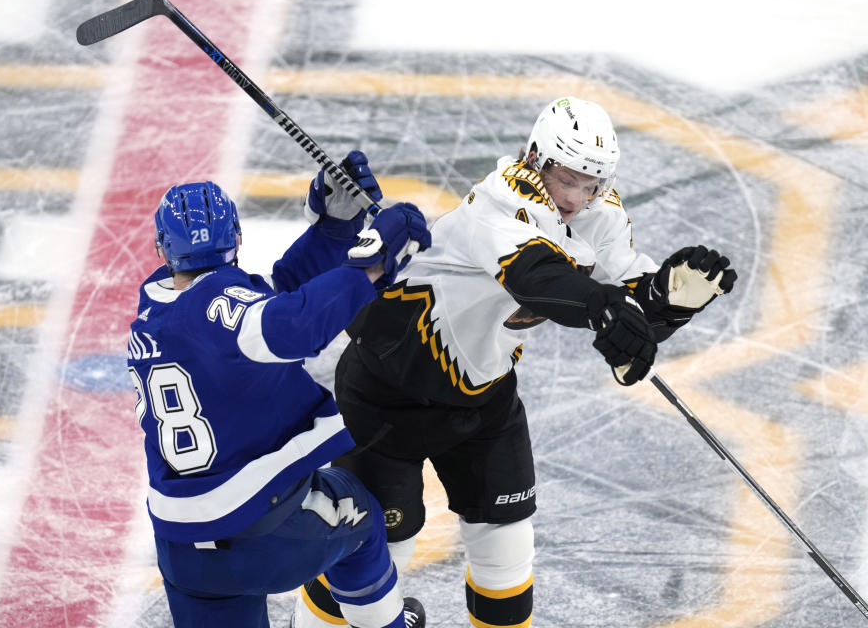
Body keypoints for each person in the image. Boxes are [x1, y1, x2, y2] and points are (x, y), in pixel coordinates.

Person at [293, 96, 737, 628]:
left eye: (590, 182)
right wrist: (605, 306)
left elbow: (628, 300)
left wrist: (667, 300)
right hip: (388, 394)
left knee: (505, 545)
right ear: (535, 159)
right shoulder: (497, 204)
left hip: (485, 397)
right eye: (566, 179)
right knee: (376, 551)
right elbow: (540, 279)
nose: (577, 198)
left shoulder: (601, 211)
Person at [126, 152, 432, 628]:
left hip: (182, 550)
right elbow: (291, 324)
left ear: (161, 251)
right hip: (261, 532)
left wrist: (333, 229)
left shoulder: (153, 316)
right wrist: (372, 266)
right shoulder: (223, 311)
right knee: (364, 518)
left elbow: (271, 301)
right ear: (236, 240)